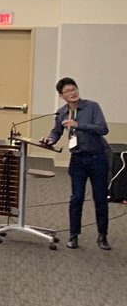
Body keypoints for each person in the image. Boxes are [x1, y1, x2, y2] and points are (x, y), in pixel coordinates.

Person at [40, 77, 111, 250]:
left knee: (100, 198)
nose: (72, 92)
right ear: (61, 95)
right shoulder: (62, 112)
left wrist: (78, 124)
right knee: (76, 198)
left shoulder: (92, 106)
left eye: (74, 89)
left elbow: (103, 129)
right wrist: (50, 139)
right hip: (77, 160)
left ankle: (102, 236)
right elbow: (56, 131)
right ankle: (73, 235)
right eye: (68, 91)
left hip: (98, 158)